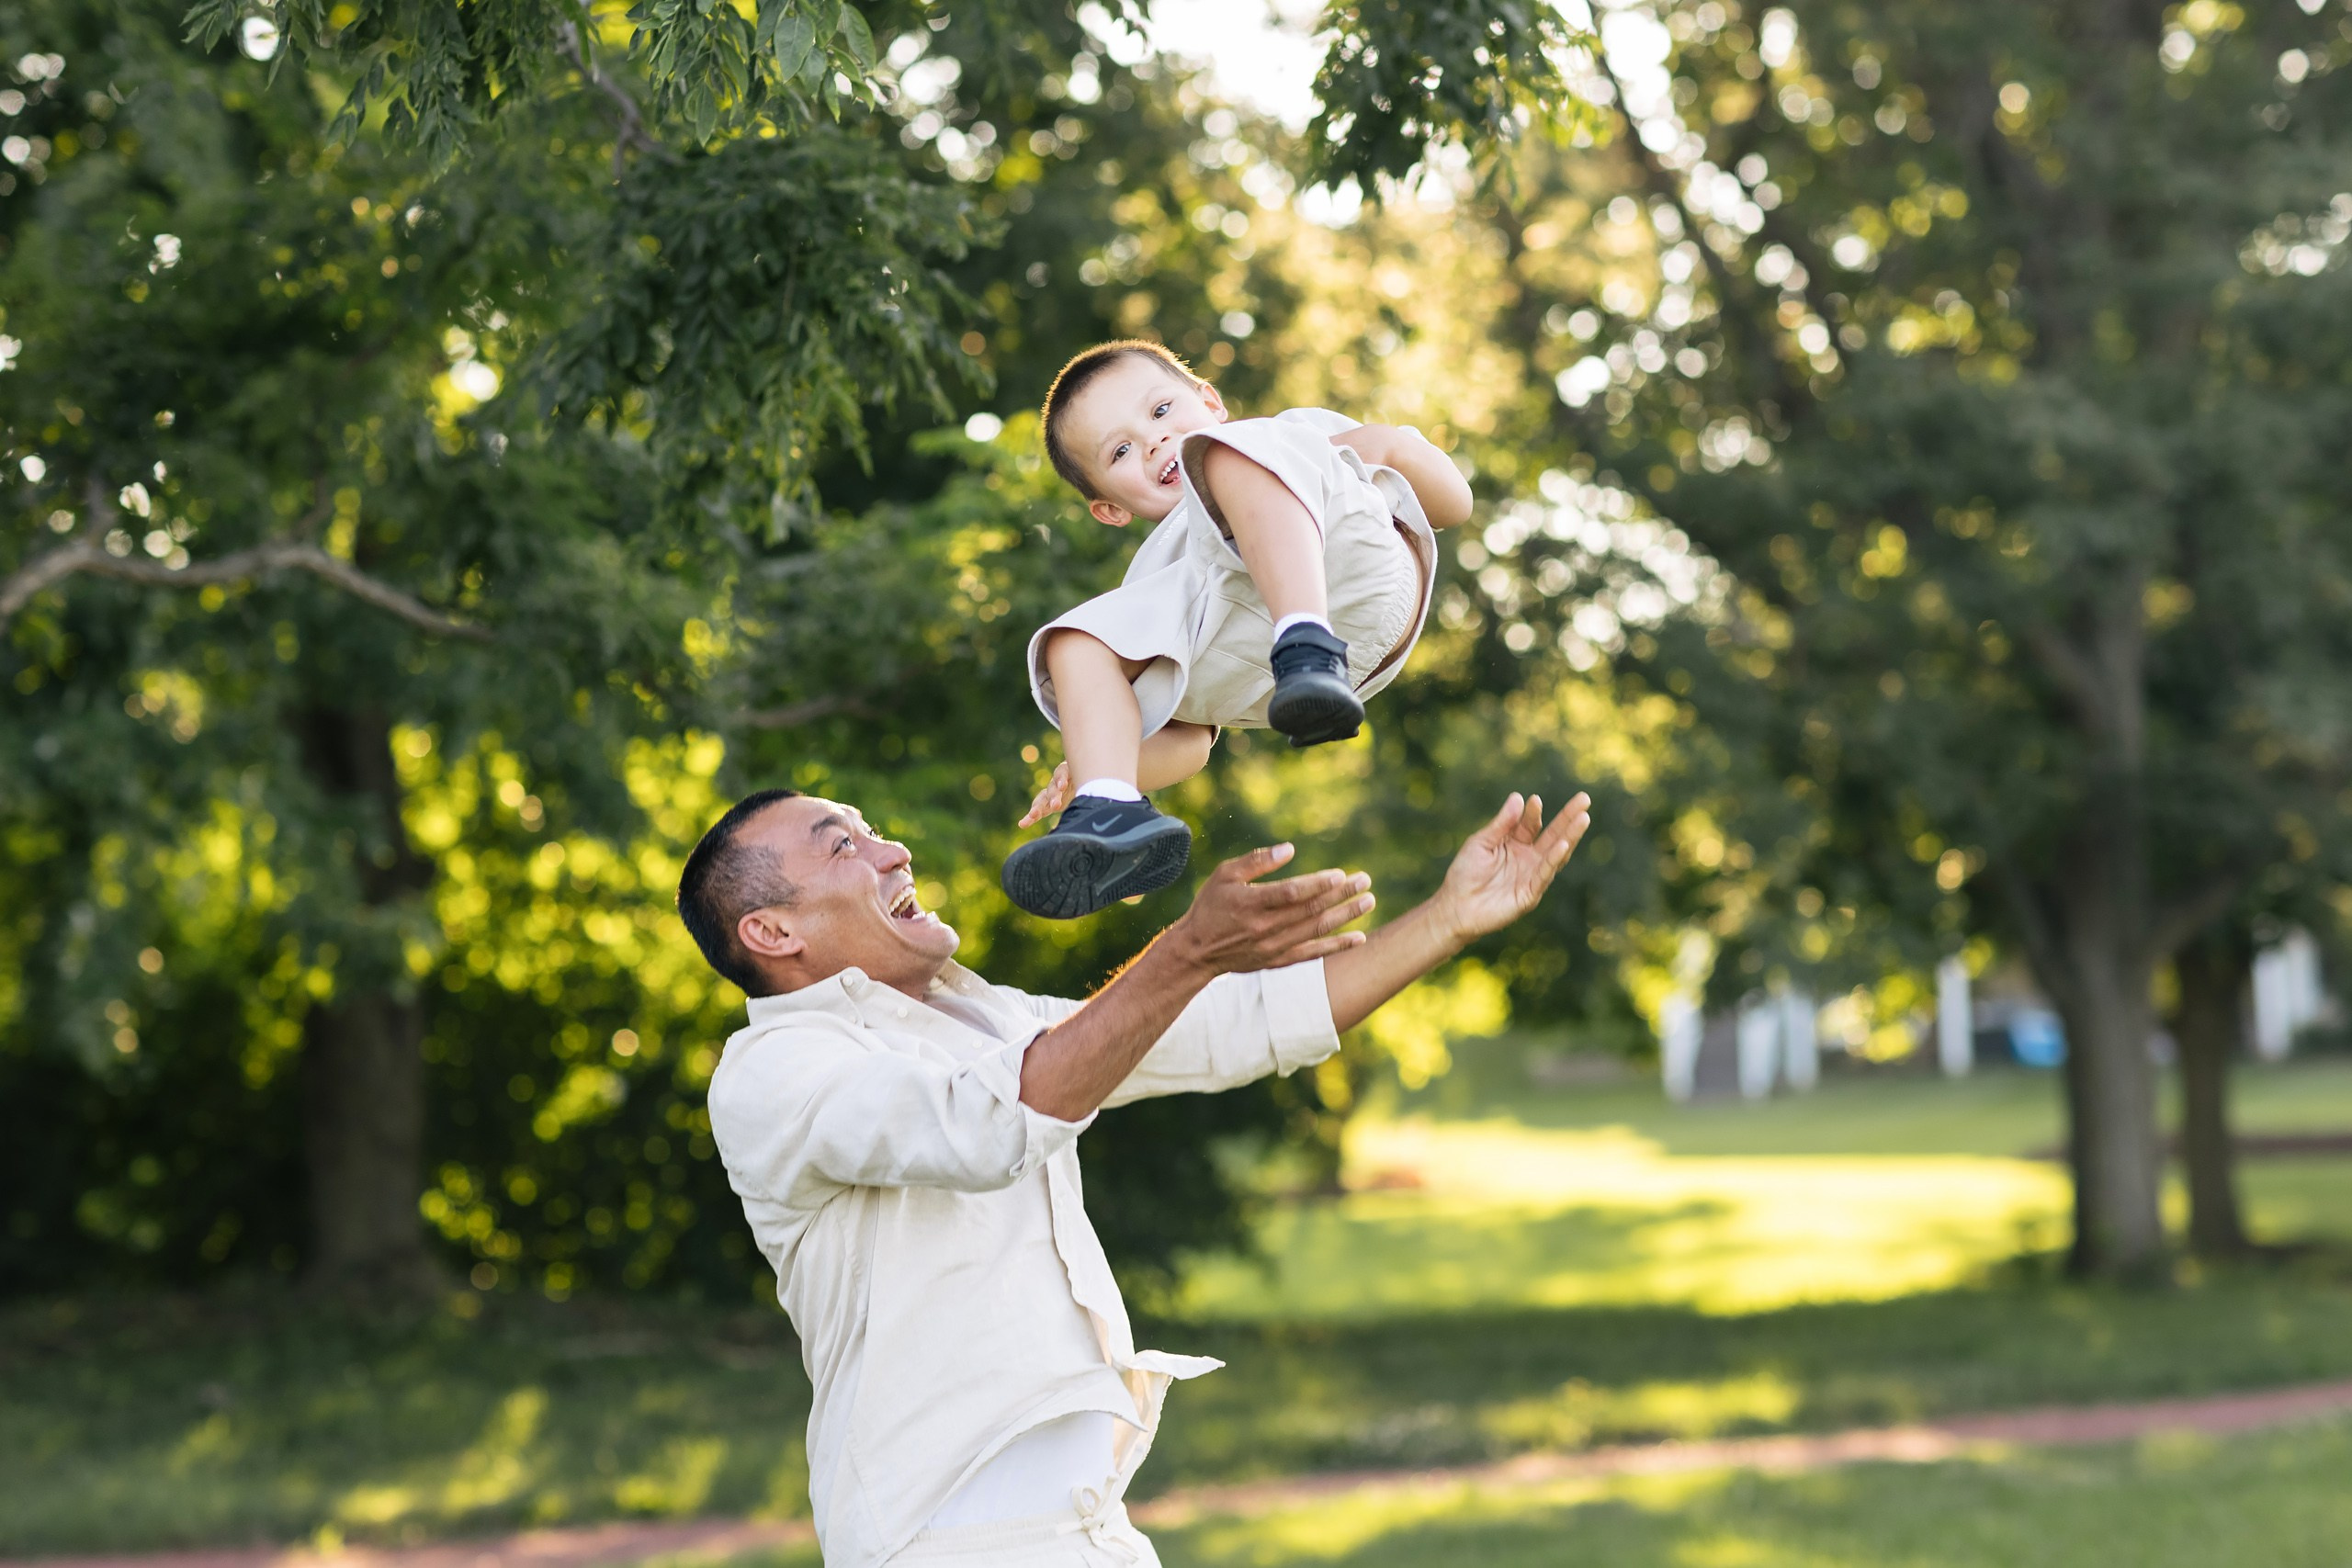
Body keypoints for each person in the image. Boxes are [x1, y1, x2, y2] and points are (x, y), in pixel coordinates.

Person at [677, 784, 1591, 1567]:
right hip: (940, 1539)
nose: (892, 850)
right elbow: (990, 1123)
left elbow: (1221, 1028)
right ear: (771, 929)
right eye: (845, 846)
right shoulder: (775, 1070)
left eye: (872, 829)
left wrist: (1450, 916)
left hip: (1089, 1529)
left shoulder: (980, 1016)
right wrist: (1185, 951)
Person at [1001, 340, 1475, 919]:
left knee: (1225, 456)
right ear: (1110, 509)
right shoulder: (1158, 581)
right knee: (1075, 641)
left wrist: (1417, 464)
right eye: (1121, 450)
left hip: (1355, 575)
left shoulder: (1279, 439)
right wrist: (1100, 759)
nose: (1153, 441)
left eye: (1160, 412)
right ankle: (1110, 810)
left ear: (1211, 399)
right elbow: (1191, 740)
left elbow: (1435, 489)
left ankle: (1306, 639)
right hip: (1267, 680)